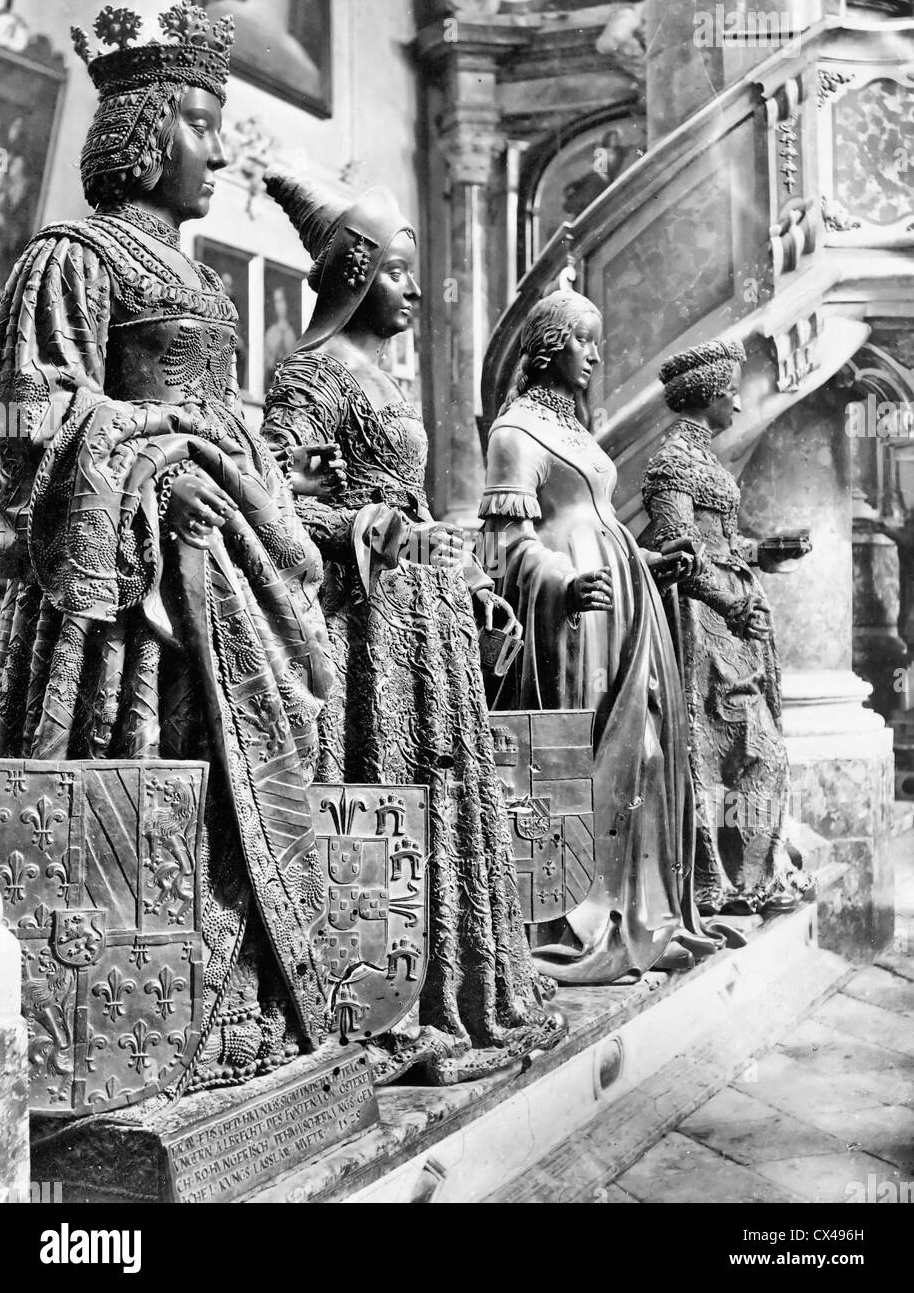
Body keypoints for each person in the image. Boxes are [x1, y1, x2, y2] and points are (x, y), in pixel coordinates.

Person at [0, 2, 336, 1099]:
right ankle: (109, 1026)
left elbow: (225, 412)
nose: (221, 151)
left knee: (270, 742)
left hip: (229, 549)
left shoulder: (198, 276)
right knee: (135, 783)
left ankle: (232, 998)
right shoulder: (71, 256)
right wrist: (157, 461)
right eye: (200, 121)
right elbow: (28, 425)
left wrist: (231, 475)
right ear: (143, 128)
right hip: (126, 592)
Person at [260, 169, 565, 1083]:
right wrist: (359, 527)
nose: (417, 289)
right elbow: (273, 502)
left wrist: (463, 571)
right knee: (380, 793)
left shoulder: (386, 381)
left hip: (427, 619)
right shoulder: (308, 377)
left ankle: (453, 987)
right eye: (397, 270)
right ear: (355, 272)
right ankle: (380, 1002)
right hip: (366, 632)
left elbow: (414, 504)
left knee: (444, 792)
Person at [480, 289, 726, 984]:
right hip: (571, 616)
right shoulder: (516, 433)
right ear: (552, 344)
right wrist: (558, 584)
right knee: (585, 758)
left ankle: (642, 918)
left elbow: (597, 521)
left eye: (596, 341)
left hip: (622, 602)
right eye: (584, 341)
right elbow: (504, 542)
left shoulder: (578, 432)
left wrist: (649, 561)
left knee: (644, 754)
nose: (595, 355)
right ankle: (575, 920)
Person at [640, 339, 813, 915]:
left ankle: (751, 875)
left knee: (754, 749)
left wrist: (764, 550)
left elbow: (716, 542)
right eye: (732, 391)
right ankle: (723, 879)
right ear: (711, 393)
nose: (738, 403)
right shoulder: (671, 464)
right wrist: (734, 604)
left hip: (733, 619)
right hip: (703, 623)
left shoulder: (705, 460)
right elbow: (677, 553)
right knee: (733, 749)